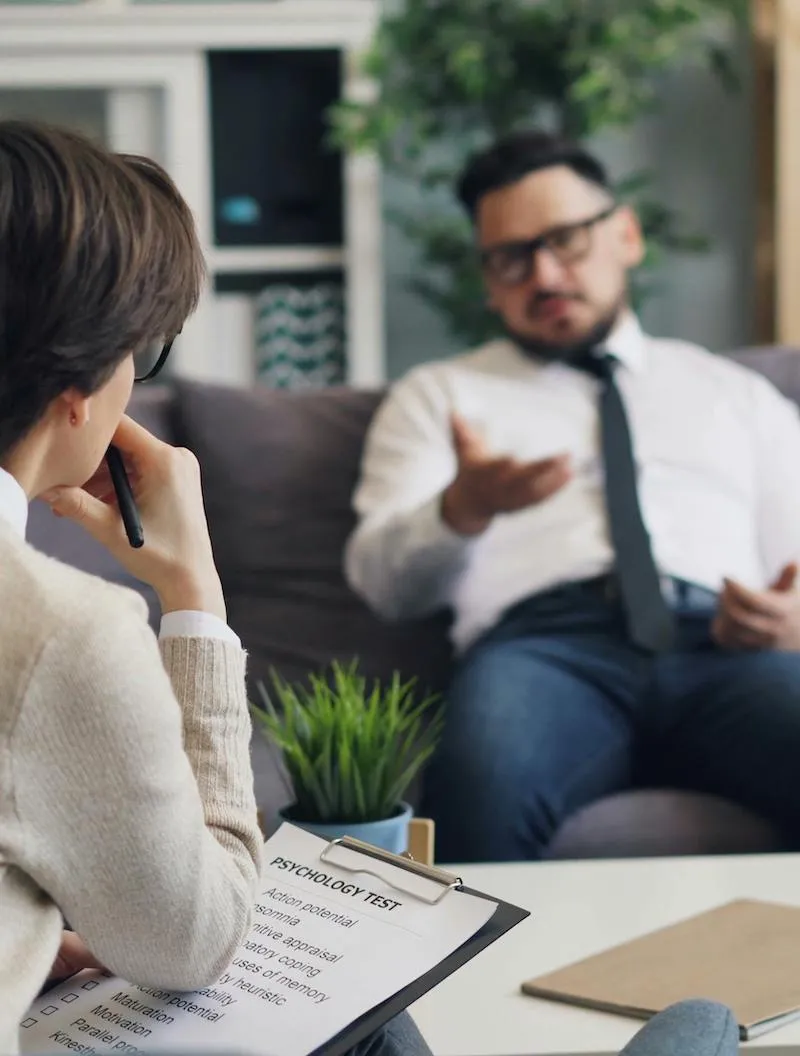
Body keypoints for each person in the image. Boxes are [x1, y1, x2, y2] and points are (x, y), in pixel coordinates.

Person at [0, 119, 427, 1056]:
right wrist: (194, 593)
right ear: (78, 386)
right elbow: (201, 938)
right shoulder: (57, 630)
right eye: (137, 356)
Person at [346, 129, 800, 864]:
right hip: (545, 652)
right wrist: (463, 507)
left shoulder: (736, 395)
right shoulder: (441, 396)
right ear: (488, 281)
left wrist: (790, 621)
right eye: (511, 258)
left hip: (726, 647)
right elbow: (384, 585)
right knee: (480, 774)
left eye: (566, 240)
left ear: (624, 234)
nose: (545, 274)